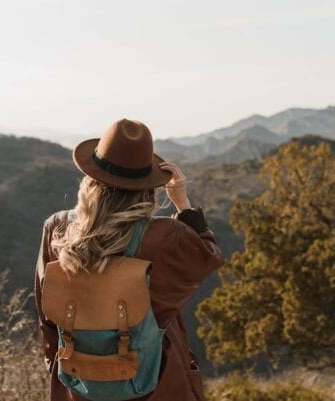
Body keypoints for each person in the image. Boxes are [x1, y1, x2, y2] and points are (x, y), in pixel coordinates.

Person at [34, 118, 225, 401]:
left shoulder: (58, 229)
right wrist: (183, 204)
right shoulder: (165, 237)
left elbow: (47, 315)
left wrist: (64, 372)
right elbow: (208, 257)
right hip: (156, 385)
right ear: (147, 186)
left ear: (91, 180)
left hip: (77, 385)